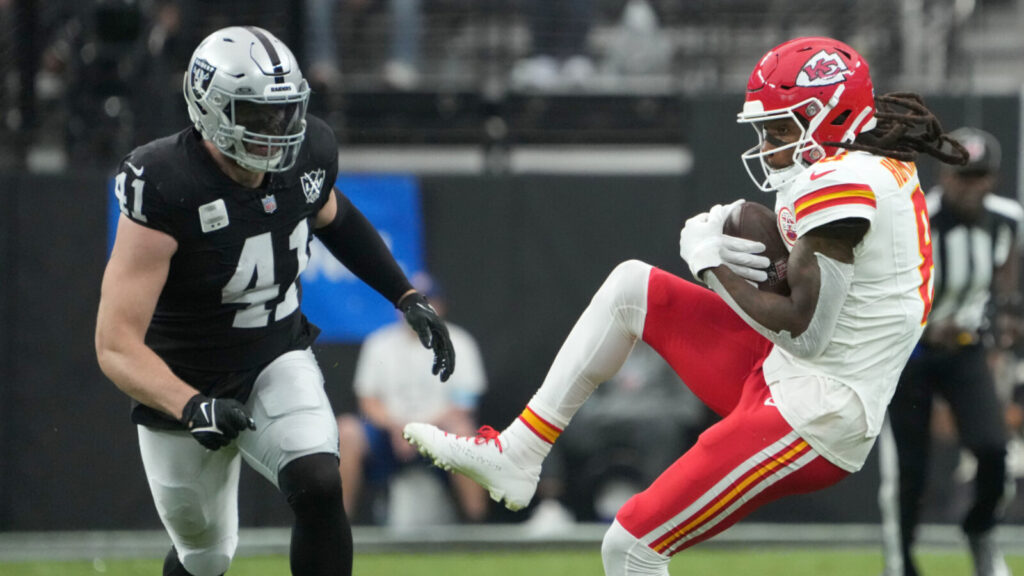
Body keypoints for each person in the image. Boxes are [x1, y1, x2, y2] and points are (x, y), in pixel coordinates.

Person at [403, 36, 970, 575]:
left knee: (631, 547)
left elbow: (806, 332)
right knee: (631, 287)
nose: (769, 146)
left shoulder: (843, 182)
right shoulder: (863, 164)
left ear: (832, 115)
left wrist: (710, 265)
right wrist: (730, 220)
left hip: (817, 415)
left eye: (779, 129)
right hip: (790, 376)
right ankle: (520, 450)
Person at [94, 26, 454, 576]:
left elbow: (336, 216)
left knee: (318, 481)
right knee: (205, 556)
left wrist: (403, 294)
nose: (276, 130)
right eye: (256, 115)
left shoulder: (307, 154)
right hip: (183, 376)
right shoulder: (165, 183)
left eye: (284, 113)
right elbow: (115, 343)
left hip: (273, 354)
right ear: (210, 109)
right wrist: (190, 404)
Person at [878, 127, 1021, 576]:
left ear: (993, 179)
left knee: (995, 451)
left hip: (965, 351)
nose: (971, 186)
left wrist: (1002, 324)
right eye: (962, 176)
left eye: (980, 176)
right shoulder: (914, 215)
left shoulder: (1007, 219)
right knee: (909, 469)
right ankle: (901, 563)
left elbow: (1006, 277)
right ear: (943, 175)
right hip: (909, 354)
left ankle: (980, 532)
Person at [337, 273, 488, 525]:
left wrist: (422, 431)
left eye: (426, 302)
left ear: (440, 306)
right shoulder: (379, 344)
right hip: (390, 435)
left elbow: (464, 404)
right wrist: (399, 428)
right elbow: (368, 401)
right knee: (347, 431)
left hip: (440, 434)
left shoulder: (460, 342)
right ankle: (336, 528)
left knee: (465, 434)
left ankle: (477, 529)